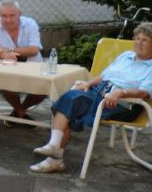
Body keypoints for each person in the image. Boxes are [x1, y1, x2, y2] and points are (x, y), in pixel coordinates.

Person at [30, 22, 152, 173]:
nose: (139, 43)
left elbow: (144, 92)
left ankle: (54, 155)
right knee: (71, 99)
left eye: (145, 40)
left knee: (70, 104)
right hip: (100, 93)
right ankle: (54, 152)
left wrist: (121, 93)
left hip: (122, 103)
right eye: (137, 38)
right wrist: (88, 83)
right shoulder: (126, 56)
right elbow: (104, 76)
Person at [0, 0, 45, 125]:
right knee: (5, 84)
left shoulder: (30, 24)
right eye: (4, 16)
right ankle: (21, 113)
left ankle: (18, 111)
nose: (8, 20)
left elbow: (34, 50)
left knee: (43, 89)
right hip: (6, 70)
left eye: (12, 15)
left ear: (19, 14)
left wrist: (8, 50)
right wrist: (4, 55)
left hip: (32, 67)